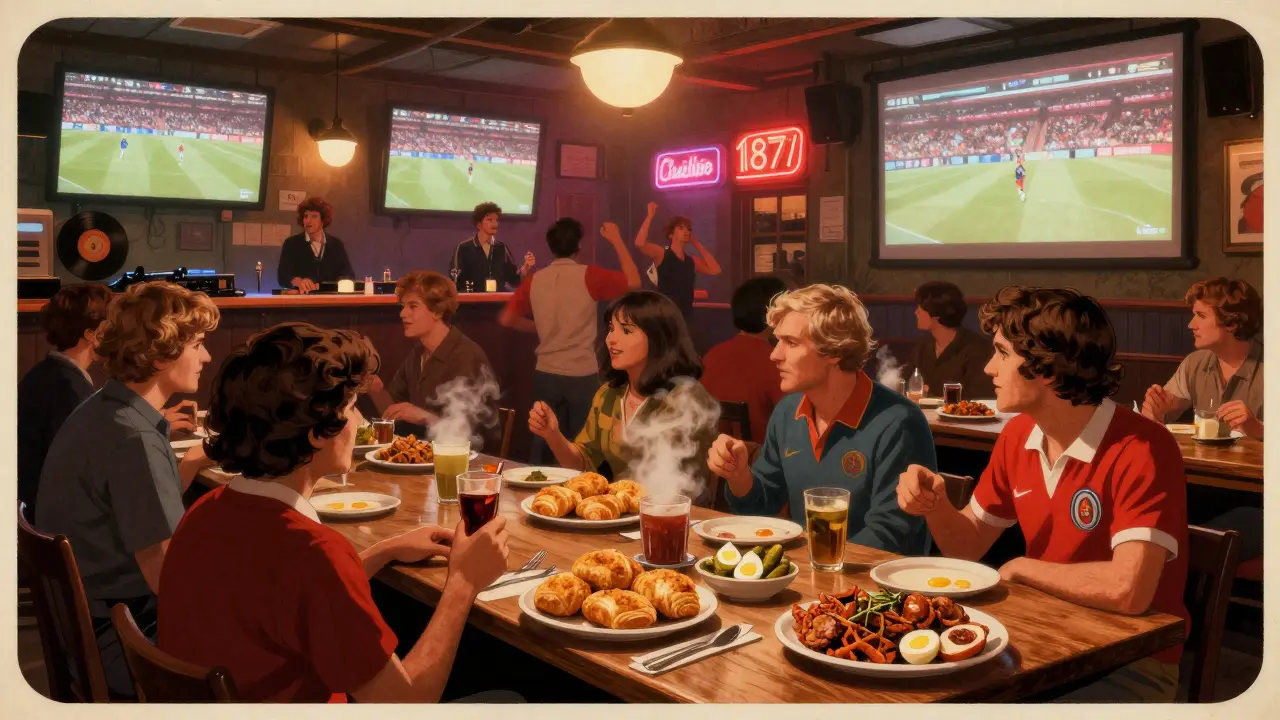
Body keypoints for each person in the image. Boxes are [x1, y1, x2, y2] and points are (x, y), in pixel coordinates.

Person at [158, 323, 516, 703]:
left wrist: (384, 550)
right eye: (351, 407)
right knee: (512, 700)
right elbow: (405, 702)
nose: (359, 422)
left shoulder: (204, 512)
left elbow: (288, 596)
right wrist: (463, 581)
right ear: (317, 431)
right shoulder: (314, 553)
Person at [897, 286, 1189, 702]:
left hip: (1132, 664)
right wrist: (935, 504)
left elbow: (1129, 590)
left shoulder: (1144, 446)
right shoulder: (1018, 434)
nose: (989, 368)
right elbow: (966, 545)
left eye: (1002, 353)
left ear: (1046, 369)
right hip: (1045, 641)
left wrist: (1019, 568)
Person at [34, 281, 220, 698]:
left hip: (87, 628)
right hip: (123, 638)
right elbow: (168, 581)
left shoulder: (102, 410)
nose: (207, 356)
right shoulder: (134, 437)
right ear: (161, 351)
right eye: (198, 344)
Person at [706, 284, 935, 554]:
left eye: (791, 343)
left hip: (882, 588)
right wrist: (739, 474)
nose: (774, 355)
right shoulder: (788, 412)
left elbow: (891, 535)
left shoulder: (898, 421)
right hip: (813, 577)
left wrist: (810, 564)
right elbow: (759, 506)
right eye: (776, 341)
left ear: (834, 351)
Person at [528, 291, 719, 498]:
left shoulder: (685, 397)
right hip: (621, 511)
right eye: (611, 329)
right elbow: (585, 462)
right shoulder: (609, 394)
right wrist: (552, 434)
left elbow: (681, 484)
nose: (611, 339)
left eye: (626, 331)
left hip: (674, 516)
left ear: (658, 337)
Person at [499, 218, 642, 464]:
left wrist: (539, 328)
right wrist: (617, 239)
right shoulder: (588, 275)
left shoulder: (535, 280)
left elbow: (507, 319)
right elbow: (634, 282)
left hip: (545, 372)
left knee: (542, 444)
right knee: (586, 447)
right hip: (581, 372)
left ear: (551, 247)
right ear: (578, 247)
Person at [367, 271, 498, 445]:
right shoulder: (416, 354)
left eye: (413, 306)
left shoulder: (466, 356)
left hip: (470, 461)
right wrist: (375, 388)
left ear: (437, 311)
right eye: (403, 306)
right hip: (424, 454)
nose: (402, 314)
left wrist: (422, 416)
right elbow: (393, 413)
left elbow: (469, 435)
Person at [18, 283, 113, 516]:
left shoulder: (44, 373)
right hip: (54, 521)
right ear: (92, 335)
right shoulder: (71, 390)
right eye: (110, 327)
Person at [1141, 277, 1263, 439]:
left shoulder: (1271, 367)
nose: (1191, 324)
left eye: (1201, 315)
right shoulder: (1195, 363)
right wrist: (1156, 409)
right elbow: (1163, 412)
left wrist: (1256, 428)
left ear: (1232, 323)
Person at [700, 277, 788, 446]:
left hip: (713, 460)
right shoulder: (776, 360)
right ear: (773, 314)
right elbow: (795, 420)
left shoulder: (713, 354)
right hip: (761, 462)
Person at [903, 281, 995, 400]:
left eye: (920, 307)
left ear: (936, 312)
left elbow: (980, 396)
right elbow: (906, 381)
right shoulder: (924, 347)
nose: (916, 312)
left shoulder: (977, 348)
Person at [633, 201, 722, 318]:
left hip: (685, 315)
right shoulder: (662, 254)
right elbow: (640, 243)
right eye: (681, 228)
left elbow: (715, 270)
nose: (686, 231)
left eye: (688, 229)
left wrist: (696, 243)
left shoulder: (691, 261)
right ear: (671, 234)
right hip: (664, 315)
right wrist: (650, 216)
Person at [276, 197, 356, 294]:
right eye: (305, 216)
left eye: (314, 216)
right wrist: (297, 281)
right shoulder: (291, 244)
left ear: (323, 220)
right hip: (302, 302)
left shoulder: (336, 245)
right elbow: (283, 276)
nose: (308, 221)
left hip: (330, 302)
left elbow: (348, 276)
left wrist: (326, 286)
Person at [451, 202, 534, 292]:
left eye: (496, 220)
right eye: (489, 220)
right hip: (471, 302)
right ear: (479, 224)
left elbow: (514, 280)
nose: (494, 224)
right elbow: (454, 279)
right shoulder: (464, 247)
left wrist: (525, 267)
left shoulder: (501, 248)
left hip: (497, 302)